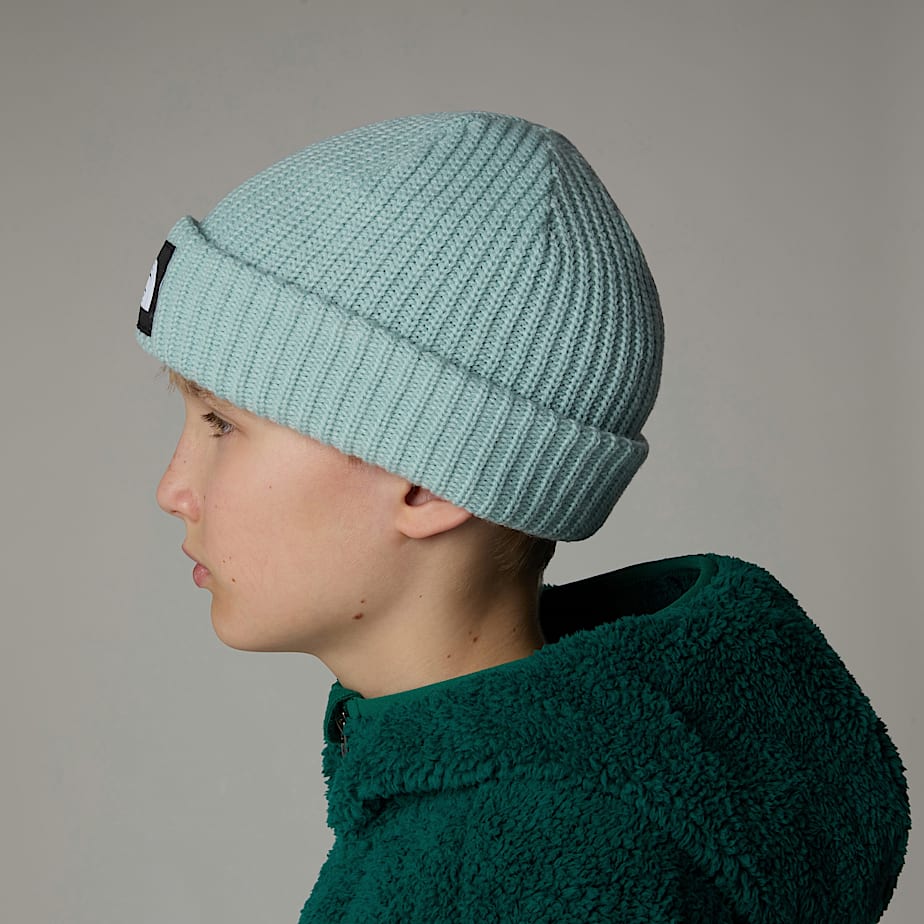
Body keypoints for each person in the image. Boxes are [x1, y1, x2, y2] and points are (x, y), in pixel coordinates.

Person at [135, 111, 909, 923]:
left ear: (427, 478)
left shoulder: (511, 872)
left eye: (222, 423)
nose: (173, 488)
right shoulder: (586, 797)